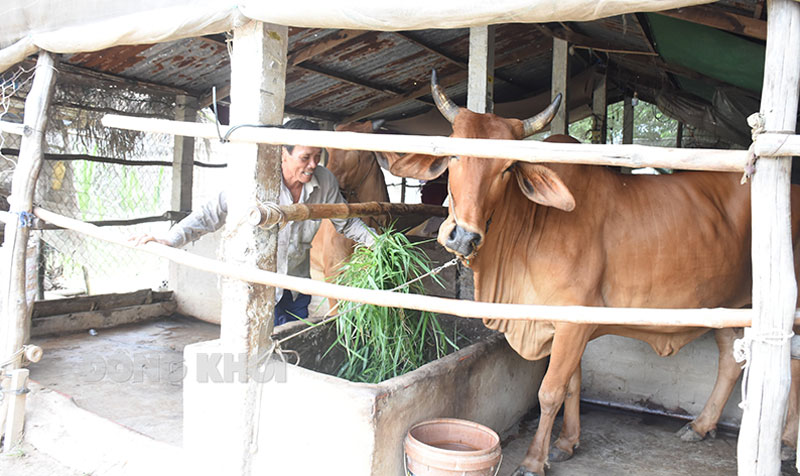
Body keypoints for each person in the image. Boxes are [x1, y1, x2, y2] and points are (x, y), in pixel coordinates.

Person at [133, 118, 375, 325]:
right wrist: (170, 238)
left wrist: (376, 243)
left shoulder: (325, 181)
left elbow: (345, 221)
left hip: (296, 287)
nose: (313, 164)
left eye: (317, 156)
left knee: (292, 346)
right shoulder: (256, 180)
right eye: (305, 157)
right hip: (256, 288)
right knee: (254, 355)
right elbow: (211, 213)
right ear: (284, 153)